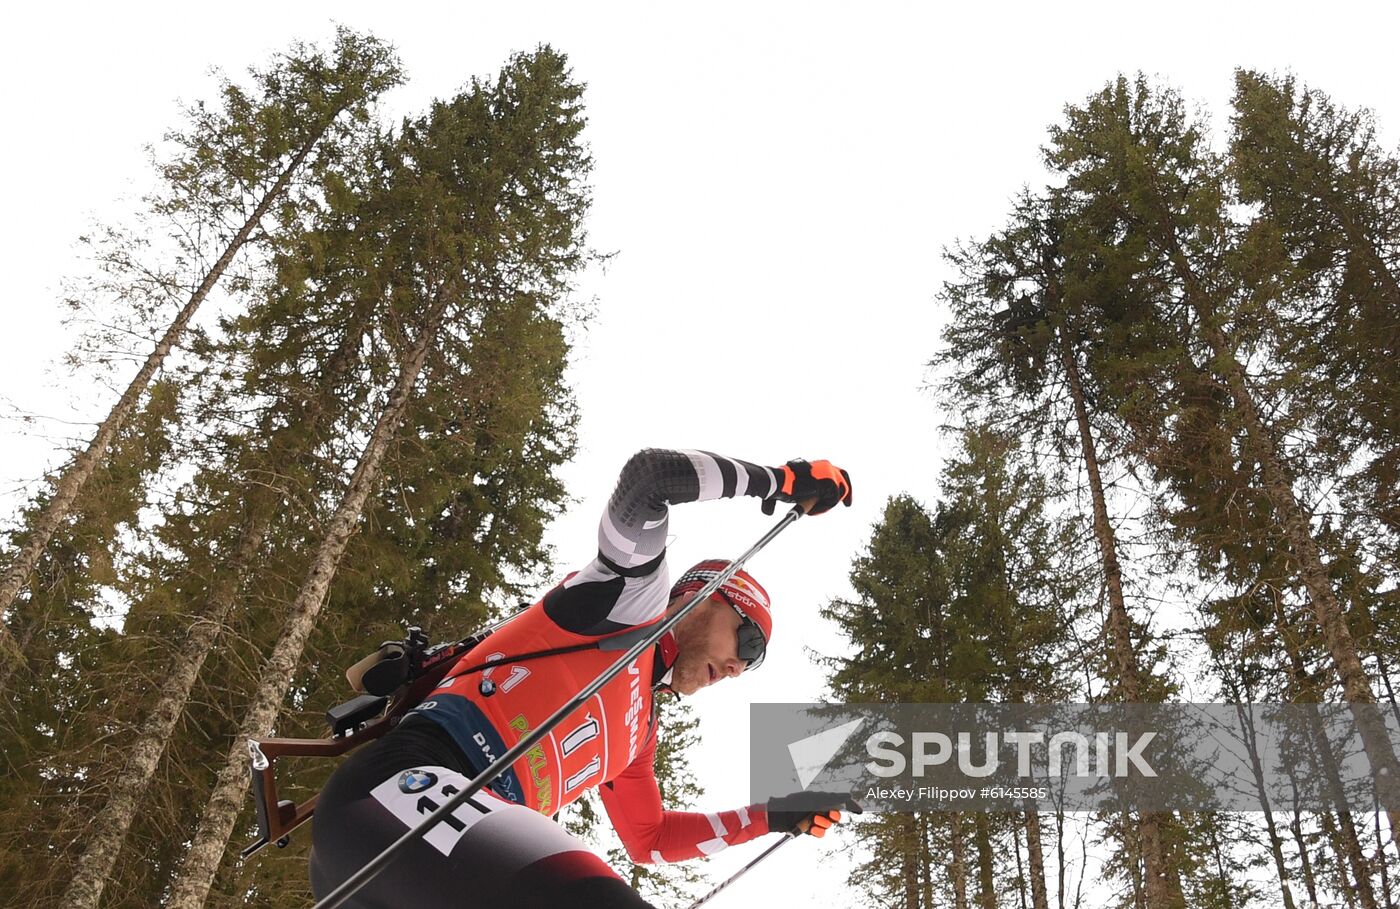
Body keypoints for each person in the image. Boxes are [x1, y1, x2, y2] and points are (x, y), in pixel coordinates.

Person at [309, 448, 855, 908]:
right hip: (402, 790)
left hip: (440, 869)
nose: (738, 668)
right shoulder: (628, 605)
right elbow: (649, 480)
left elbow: (651, 840)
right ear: (701, 597)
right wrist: (780, 481)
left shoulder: (638, 736)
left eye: (752, 664)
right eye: (748, 641)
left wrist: (773, 815)